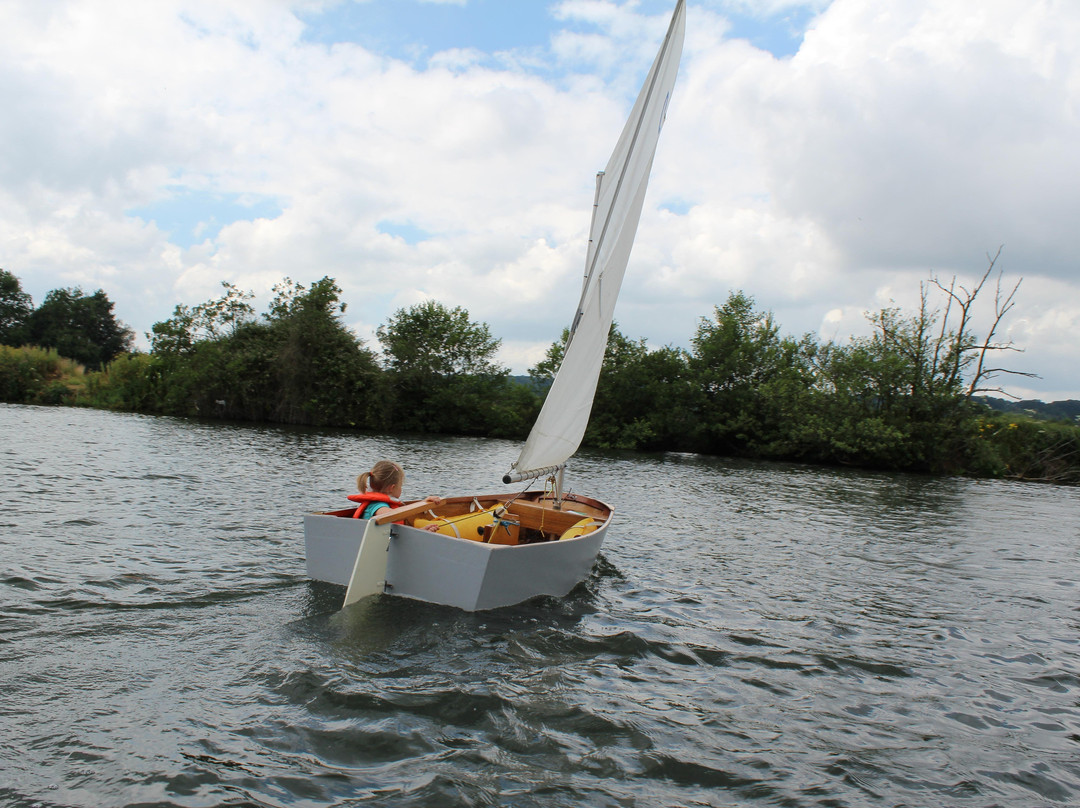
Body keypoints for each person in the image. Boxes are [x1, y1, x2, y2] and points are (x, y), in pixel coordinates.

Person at [347, 460, 442, 522]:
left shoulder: (380, 504)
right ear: (392, 488)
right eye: (400, 485)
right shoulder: (377, 506)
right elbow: (394, 515)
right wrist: (421, 505)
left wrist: (422, 531)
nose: (401, 489)